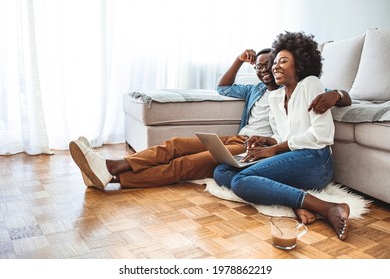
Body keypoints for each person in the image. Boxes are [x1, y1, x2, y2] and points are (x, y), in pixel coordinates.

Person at [69, 47, 350, 191]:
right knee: (175, 145)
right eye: (262, 65)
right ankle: (112, 165)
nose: (267, 69)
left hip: (255, 147)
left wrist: (337, 93)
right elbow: (223, 87)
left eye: (273, 63)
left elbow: (336, 98)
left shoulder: (301, 88)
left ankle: (114, 179)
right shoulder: (257, 90)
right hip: (242, 137)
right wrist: (240, 60)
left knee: (187, 165)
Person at [213, 31, 350, 240]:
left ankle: (329, 207)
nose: (275, 66)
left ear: (300, 64)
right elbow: (281, 134)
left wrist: (274, 149)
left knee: (240, 181)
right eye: (274, 62)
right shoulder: (277, 97)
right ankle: (294, 201)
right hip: (291, 158)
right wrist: (266, 141)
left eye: (283, 61)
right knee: (221, 171)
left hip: (316, 160)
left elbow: (321, 135)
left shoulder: (310, 84)